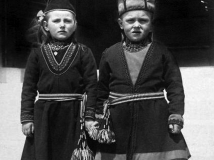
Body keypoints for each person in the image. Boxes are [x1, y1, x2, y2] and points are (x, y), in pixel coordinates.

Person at [95, 0, 191, 159]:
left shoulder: (162, 52)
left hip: (154, 120)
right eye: (130, 20)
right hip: (119, 121)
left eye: (143, 20)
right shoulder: (109, 54)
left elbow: (175, 87)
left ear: (151, 25)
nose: (137, 25)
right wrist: (99, 117)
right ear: (120, 23)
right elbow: (102, 90)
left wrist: (175, 114)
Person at [20, 0, 97, 159]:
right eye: (56, 20)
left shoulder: (83, 52)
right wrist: (26, 118)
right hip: (44, 116)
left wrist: (90, 117)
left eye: (67, 21)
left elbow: (92, 87)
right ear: (46, 25)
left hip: (74, 115)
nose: (62, 25)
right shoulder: (37, 54)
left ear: (75, 25)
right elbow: (28, 89)